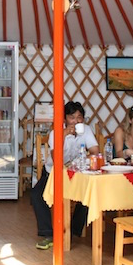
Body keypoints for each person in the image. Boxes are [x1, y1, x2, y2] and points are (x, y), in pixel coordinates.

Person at [31, 101, 99, 250]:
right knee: (36, 196)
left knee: (89, 192)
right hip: (53, 173)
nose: (75, 121)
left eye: (79, 117)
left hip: (77, 173)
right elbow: (56, 158)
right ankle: (49, 232)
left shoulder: (86, 130)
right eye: (71, 117)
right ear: (65, 119)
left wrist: (86, 158)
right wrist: (64, 134)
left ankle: (74, 229)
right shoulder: (56, 132)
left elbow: (95, 151)